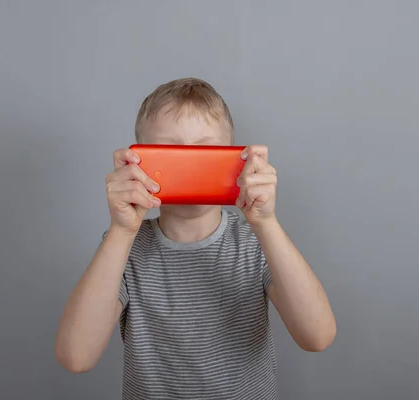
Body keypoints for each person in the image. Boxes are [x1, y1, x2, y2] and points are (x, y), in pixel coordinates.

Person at [55, 77, 336, 399]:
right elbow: (76, 357)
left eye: (206, 151)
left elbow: (317, 337)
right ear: (139, 161)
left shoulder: (256, 239)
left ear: (235, 159)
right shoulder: (124, 247)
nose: (190, 166)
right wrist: (121, 230)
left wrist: (266, 221)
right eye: (171, 153)